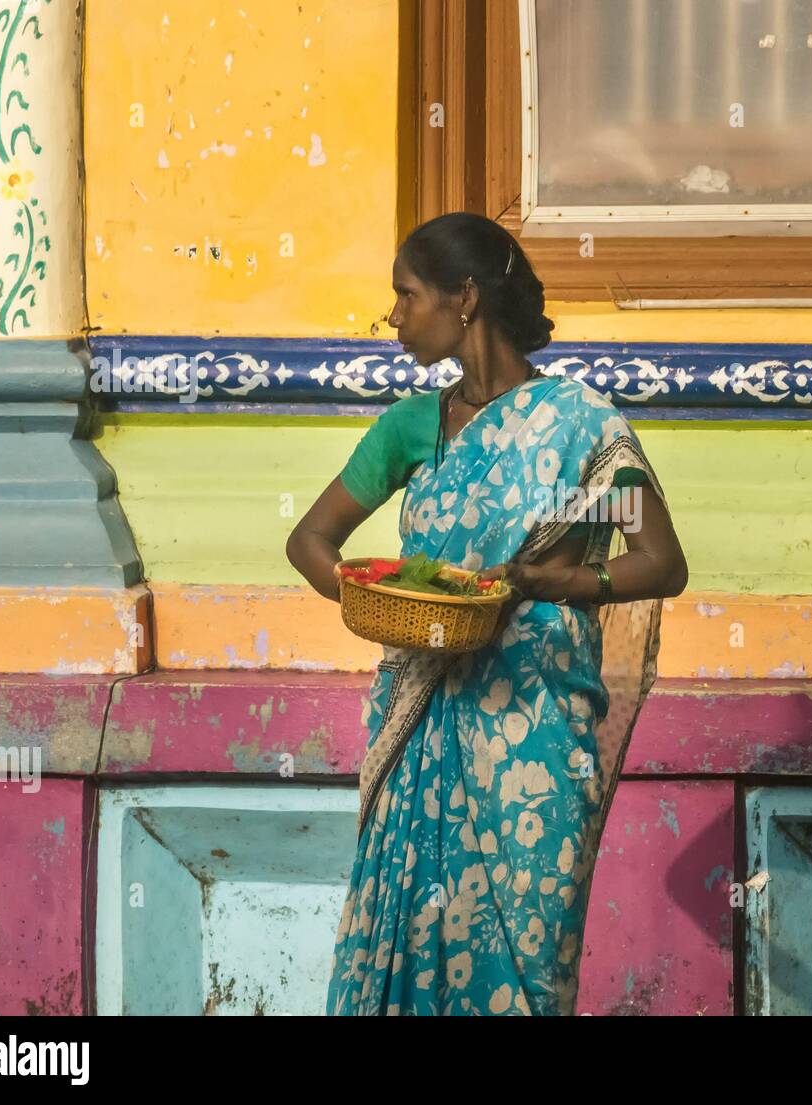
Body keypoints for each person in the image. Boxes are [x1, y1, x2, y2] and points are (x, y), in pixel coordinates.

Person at [286, 212, 688, 1016]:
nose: (393, 317)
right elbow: (311, 541)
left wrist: (551, 581)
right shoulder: (411, 425)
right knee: (408, 948)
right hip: (423, 720)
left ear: (464, 297)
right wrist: (387, 604)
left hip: (536, 731)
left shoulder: (579, 422)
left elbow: (662, 562)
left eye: (406, 295)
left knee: (529, 962)